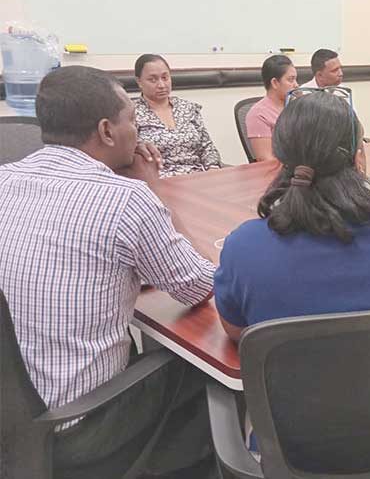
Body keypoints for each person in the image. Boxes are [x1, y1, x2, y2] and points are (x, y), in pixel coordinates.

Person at [0, 66, 216, 475]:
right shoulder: (125, 199)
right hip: (83, 422)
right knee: (207, 364)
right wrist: (151, 187)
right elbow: (200, 284)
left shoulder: (4, 177)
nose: (138, 132)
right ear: (106, 131)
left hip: (15, 418)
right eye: (132, 120)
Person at [214, 91, 370, 340]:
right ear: (359, 159)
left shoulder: (243, 249)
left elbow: (239, 334)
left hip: (301, 379)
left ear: (280, 161)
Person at [134, 53, 223, 177]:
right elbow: (128, 155)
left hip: (198, 177)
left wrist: (213, 168)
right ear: (139, 82)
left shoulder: (187, 108)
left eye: (165, 78)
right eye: (153, 80)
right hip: (159, 180)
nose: (161, 85)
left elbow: (207, 146)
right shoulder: (131, 113)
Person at [246, 55, 299, 165]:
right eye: (291, 80)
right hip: (281, 174)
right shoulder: (258, 114)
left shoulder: (296, 106)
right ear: (275, 83)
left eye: (296, 79)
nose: (296, 85)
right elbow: (266, 160)